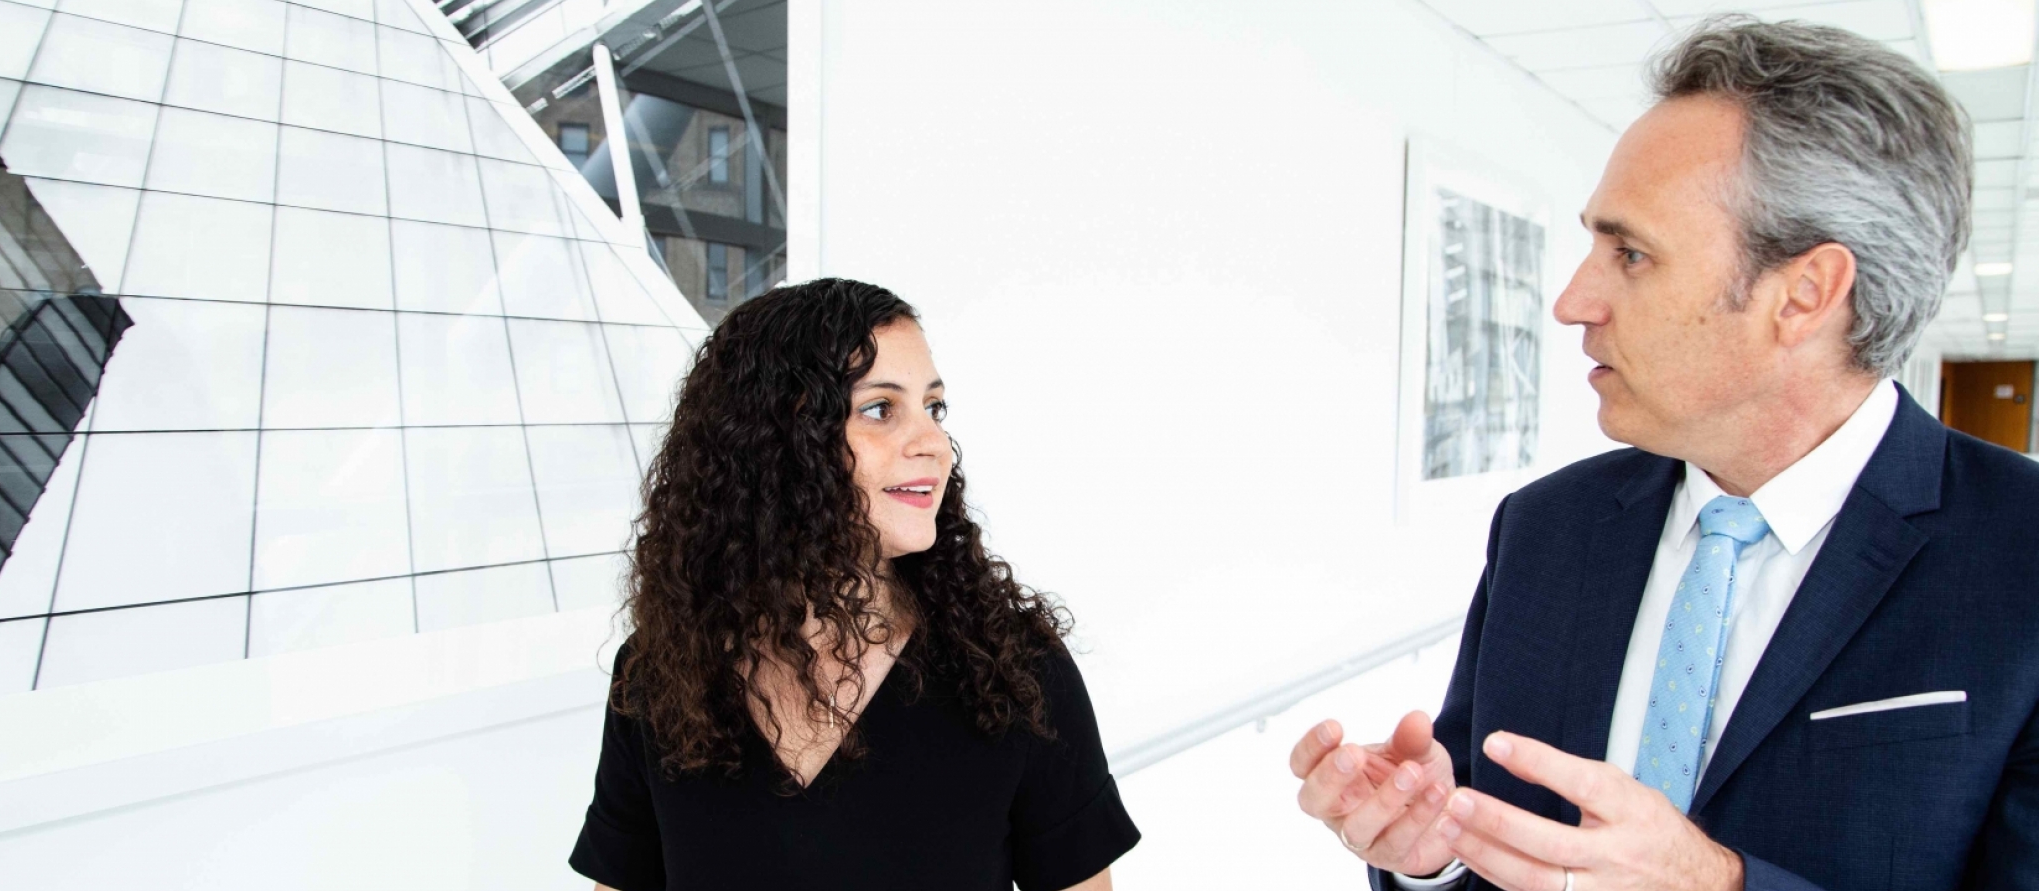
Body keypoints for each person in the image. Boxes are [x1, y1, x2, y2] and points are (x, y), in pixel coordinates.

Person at [1292, 17, 2039, 891]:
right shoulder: (1544, 529)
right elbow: (1477, 821)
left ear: (1805, 294)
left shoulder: (2020, 558)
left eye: (1631, 253)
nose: (1573, 300)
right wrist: (1434, 858)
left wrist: (1722, 884)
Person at [568, 279, 1139, 890]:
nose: (935, 445)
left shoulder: (1014, 672)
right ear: (777, 441)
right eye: (880, 409)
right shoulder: (661, 675)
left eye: (934, 408)